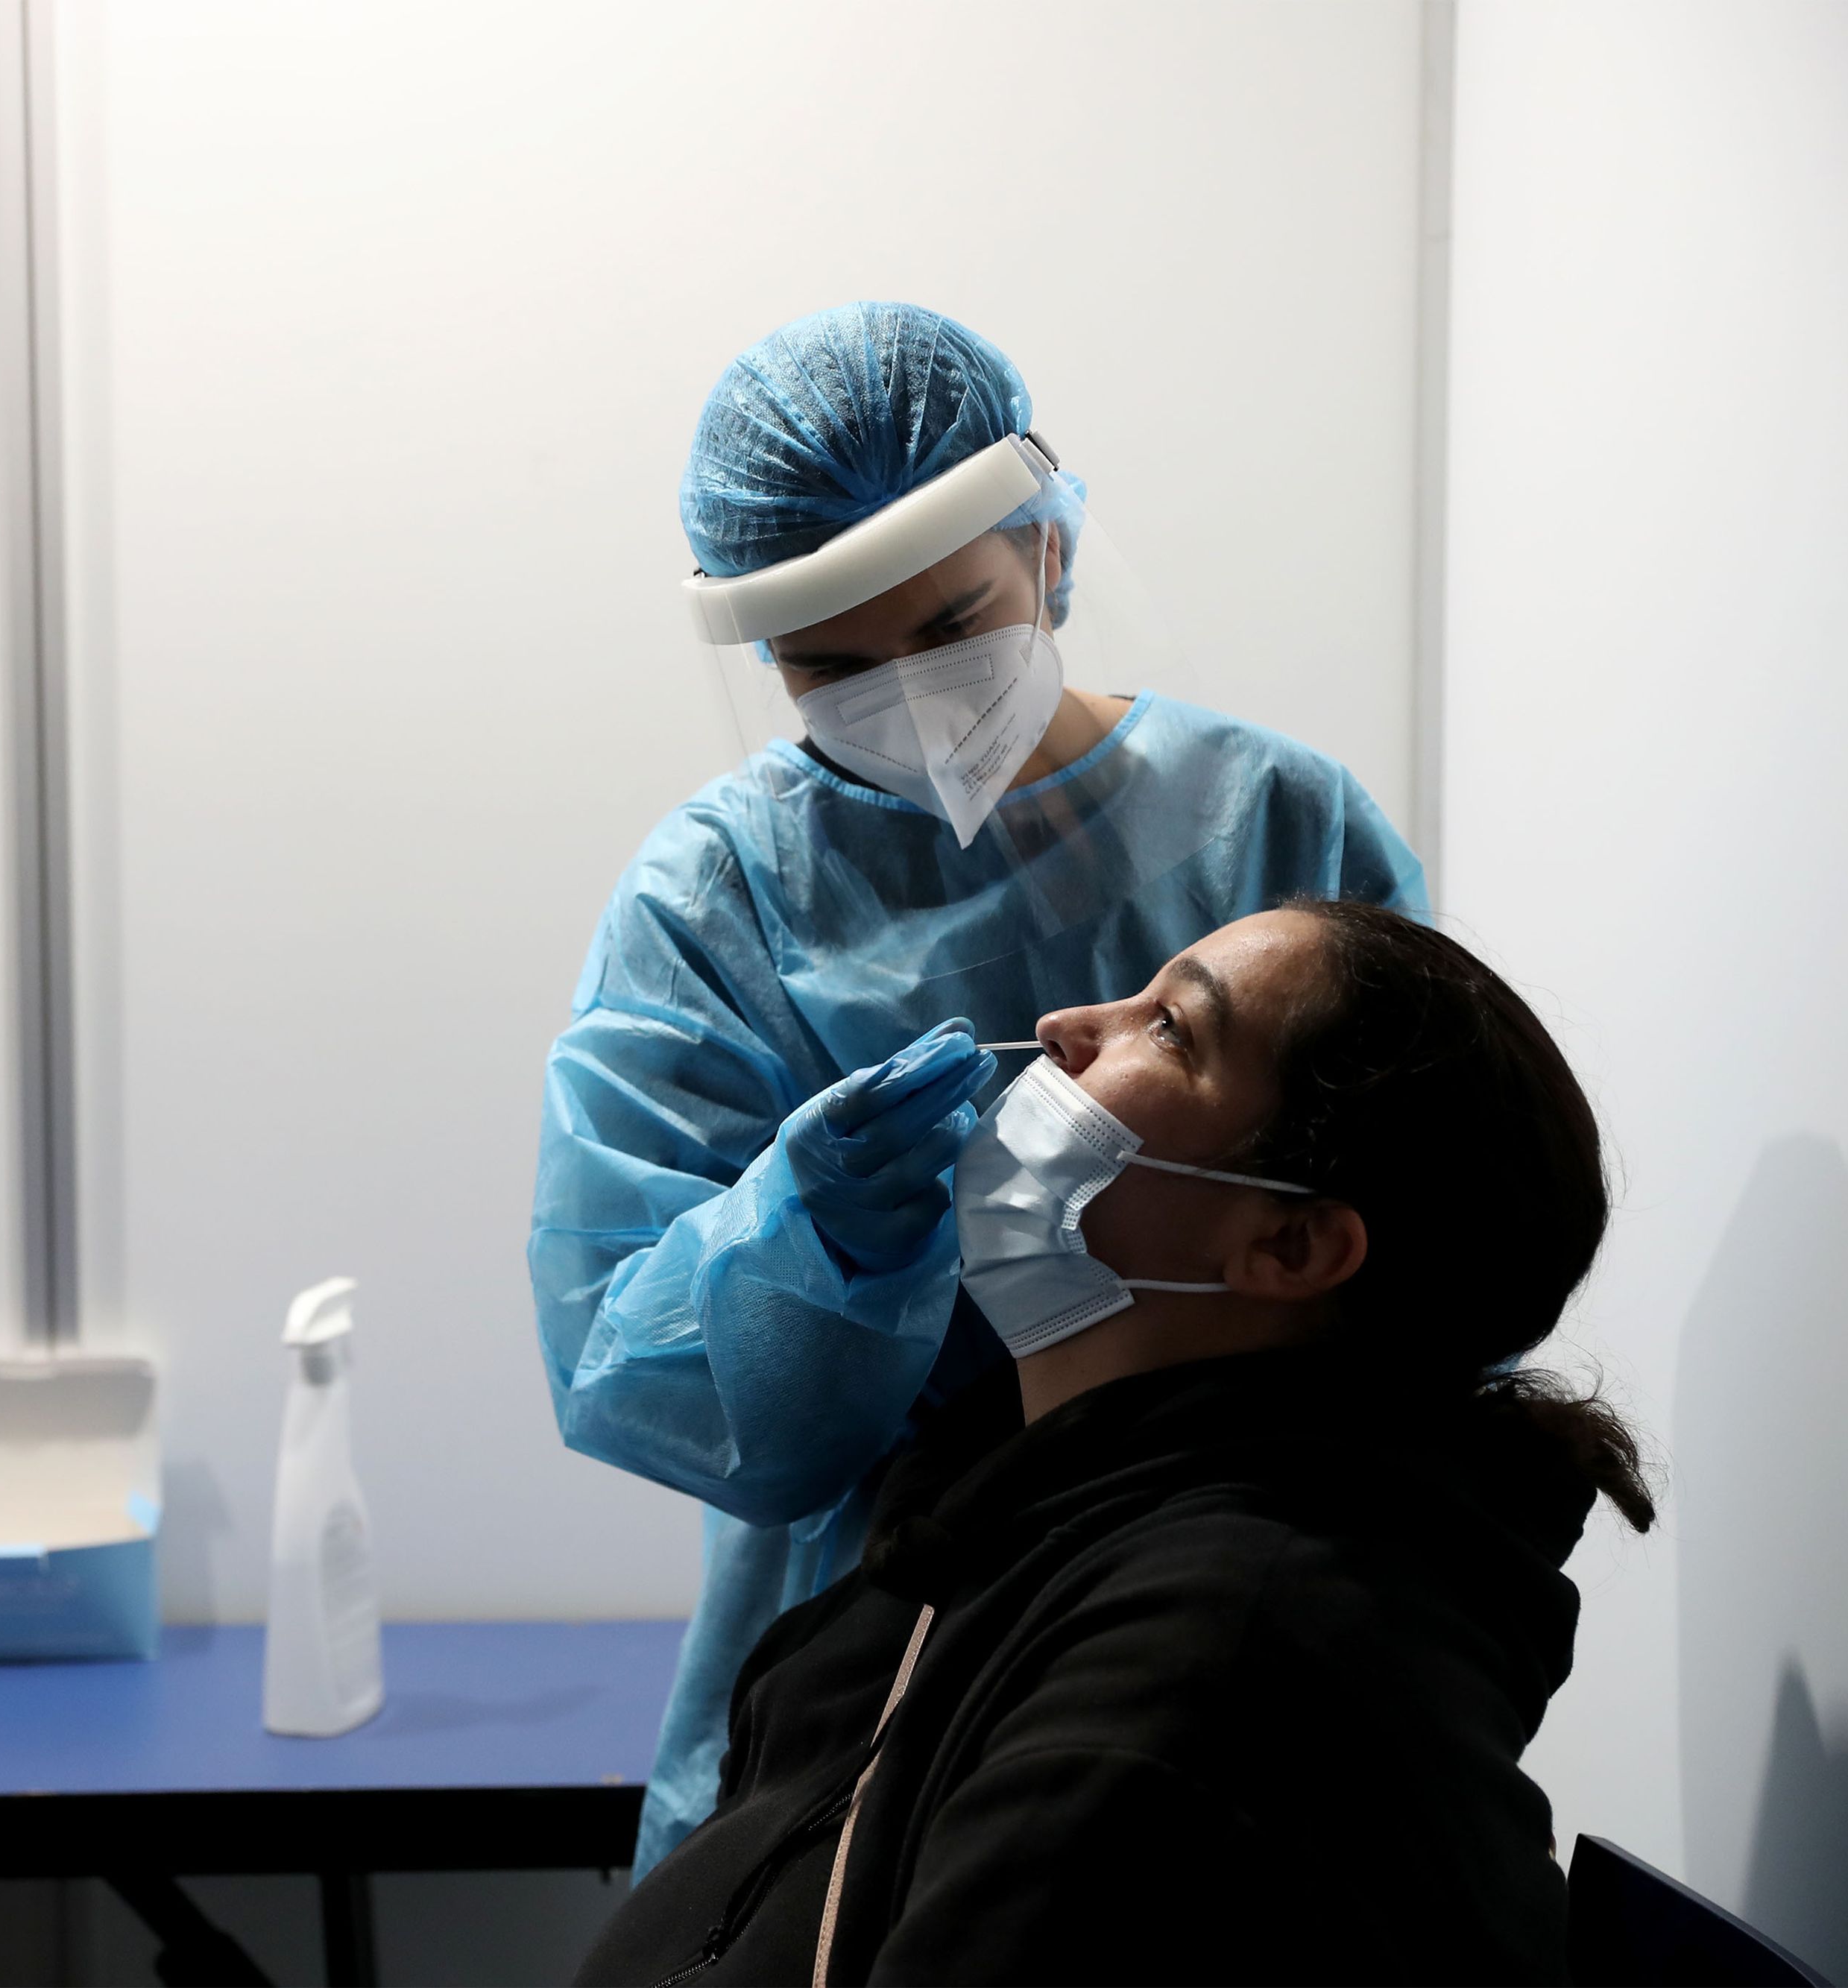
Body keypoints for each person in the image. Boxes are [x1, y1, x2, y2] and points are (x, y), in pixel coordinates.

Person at [529, 302, 1428, 1872]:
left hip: (1232, 1586)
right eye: (827, 666)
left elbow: (1434, 1220)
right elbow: (630, 1362)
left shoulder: (1276, 827)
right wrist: (804, 1237)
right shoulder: (718, 897)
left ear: (1050, 557)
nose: (909, 697)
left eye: (952, 629)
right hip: (865, 1649)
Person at [574, 900, 1652, 1987]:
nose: (1062, 1025)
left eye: (1173, 1029)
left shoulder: (1220, 1670)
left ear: (1291, 1242)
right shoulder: (1011, 1502)